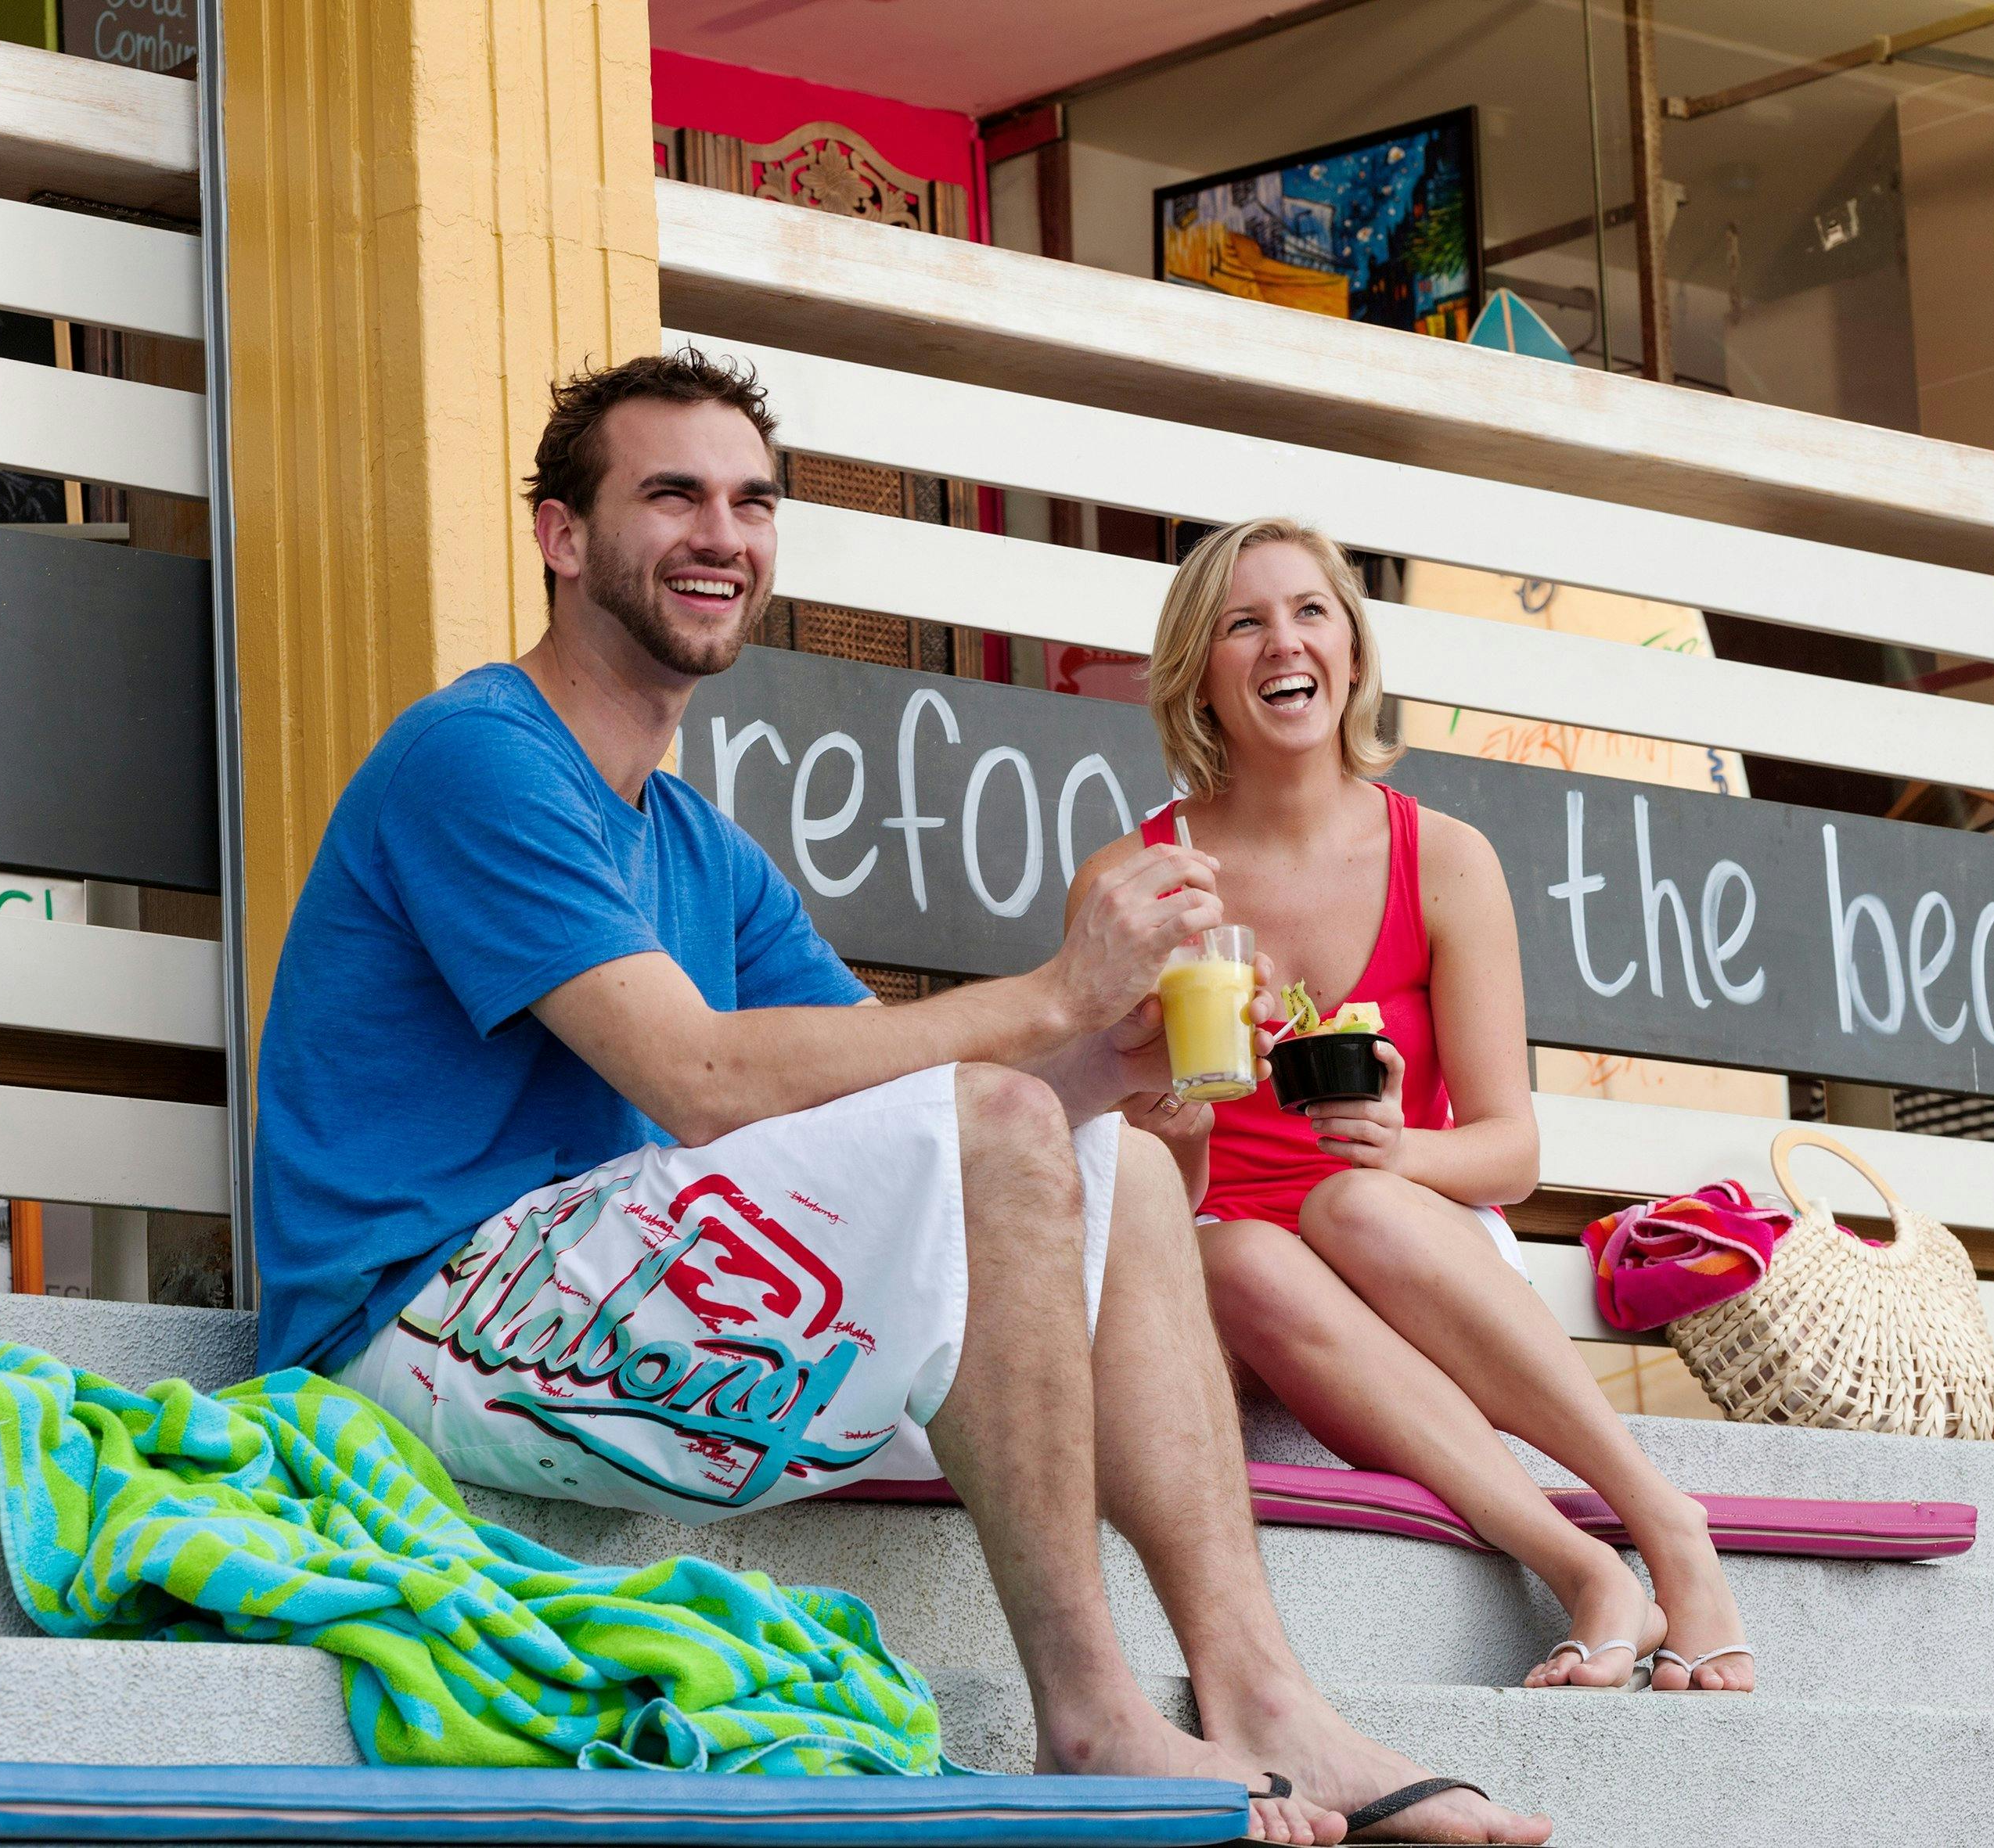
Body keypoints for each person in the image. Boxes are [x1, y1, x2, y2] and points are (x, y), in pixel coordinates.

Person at [250, 353, 1549, 1846]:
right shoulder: (479, 757)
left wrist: (1123, 1069)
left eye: (750, 501)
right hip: (409, 1315)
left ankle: (1259, 1691)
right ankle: (1093, 1717)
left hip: (599, 1295)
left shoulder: (690, 839)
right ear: (561, 535)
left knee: (1101, 1150)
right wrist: (1060, 997)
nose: (720, 533)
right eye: (670, 493)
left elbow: (912, 1095)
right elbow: (700, 1076)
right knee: (1010, 1119)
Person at [1073, 516, 1754, 1697]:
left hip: (1408, 1230)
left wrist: (1400, 1146)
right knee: (1237, 1256)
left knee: (1353, 1206)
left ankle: (1667, 1522)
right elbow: (1110, 1162)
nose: (1284, 642)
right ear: (1200, 671)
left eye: (1310, 611)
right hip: (1224, 1262)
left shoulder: (1445, 856)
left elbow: (1512, 1152)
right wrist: (1170, 1127)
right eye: (1244, 622)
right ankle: (1583, 1564)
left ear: (1350, 648)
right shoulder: (1134, 882)